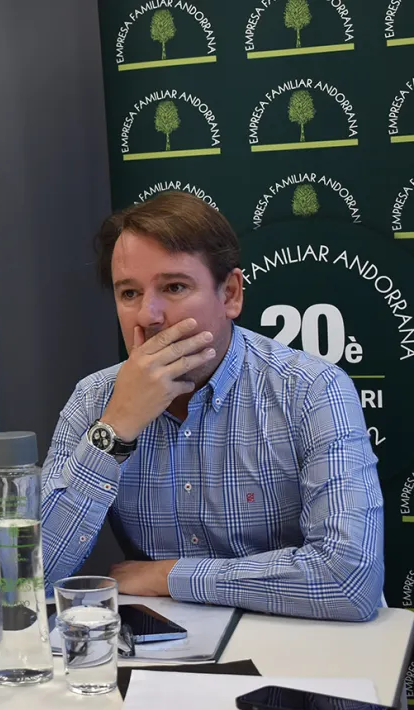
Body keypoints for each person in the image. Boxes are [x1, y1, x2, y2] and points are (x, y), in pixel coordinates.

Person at [40, 192, 384, 622]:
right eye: (129, 293)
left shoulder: (311, 390)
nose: (149, 314)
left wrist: (170, 576)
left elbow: (349, 580)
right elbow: (29, 578)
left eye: (174, 287)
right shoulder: (95, 400)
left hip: (304, 647)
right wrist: (117, 426)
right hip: (167, 659)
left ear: (231, 295)